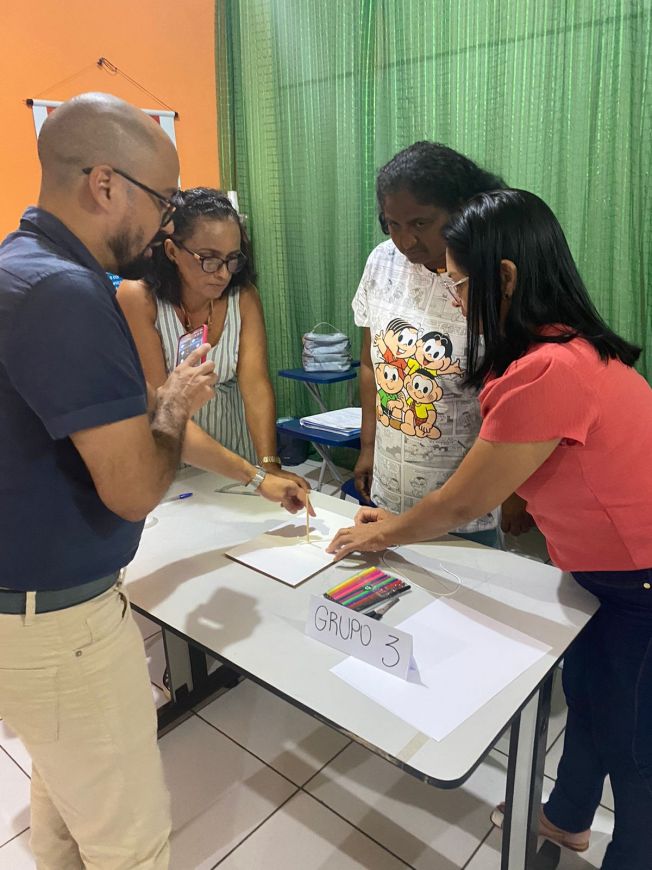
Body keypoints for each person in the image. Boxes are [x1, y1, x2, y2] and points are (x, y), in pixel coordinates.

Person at [0, 92, 309, 870]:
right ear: (105, 184)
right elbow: (136, 489)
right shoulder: (72, 294)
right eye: (163, 202)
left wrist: (257, 467)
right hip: (58, 623)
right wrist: (171, 404)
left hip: (30, 605)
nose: (166, 225)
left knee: (64, 799)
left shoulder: (21, 266)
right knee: (130, 843)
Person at [328, 189, 652, 870]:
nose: (451, 298)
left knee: (635, 744)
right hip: (602, 568)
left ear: (503, 278)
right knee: (591, 699)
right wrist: (398, 521)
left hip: (638, 577)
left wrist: (384, 535)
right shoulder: (559, 347)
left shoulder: (550, 369)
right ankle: (566, 818)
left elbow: (460, 503)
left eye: (458, 282)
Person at [352, 141, 532, 547]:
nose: (406, 241)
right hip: (392, 489)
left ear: (460, 210)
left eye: (420, 223)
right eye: (392, 224)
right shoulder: (381, 262)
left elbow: (521, 394)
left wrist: (517, 490)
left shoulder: (489, 273)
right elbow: (370, 365)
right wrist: (368, 447)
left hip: (468, 500)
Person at [118, 187, 309, 492]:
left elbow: (255, 386)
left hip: (235, 458)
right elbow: (161, 406)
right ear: (172, 251)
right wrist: (255, 476)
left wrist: (269, 465)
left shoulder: (242, 297)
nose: (222, 274)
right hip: (170, 458)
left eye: (232, 259)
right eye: (208, 259)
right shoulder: (138, 298)